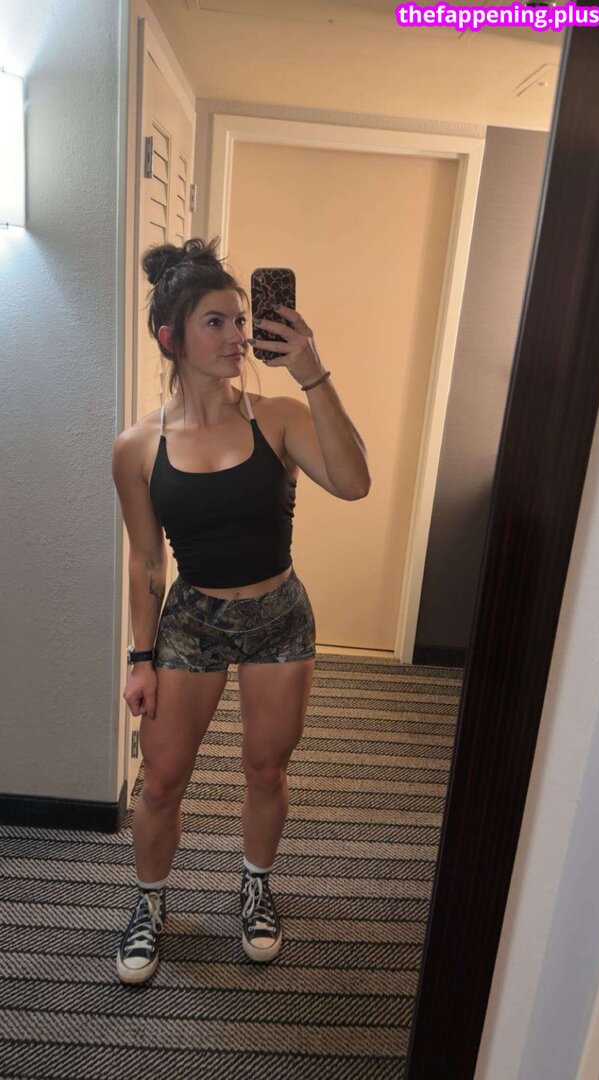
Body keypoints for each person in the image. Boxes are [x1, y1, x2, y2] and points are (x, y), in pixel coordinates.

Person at [111, 237, 371, 984]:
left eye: (240, 320)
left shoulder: (279, 417)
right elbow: (146, 561)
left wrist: (313, 374)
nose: (238, 338)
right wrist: (140, 658)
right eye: (216, 323)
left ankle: (256, 886)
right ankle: (150, 903)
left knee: (265, 767)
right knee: (162, 780)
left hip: (279, 618)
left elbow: (354, 483)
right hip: (191, 624)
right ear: (172, 338)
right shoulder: (136, 447)